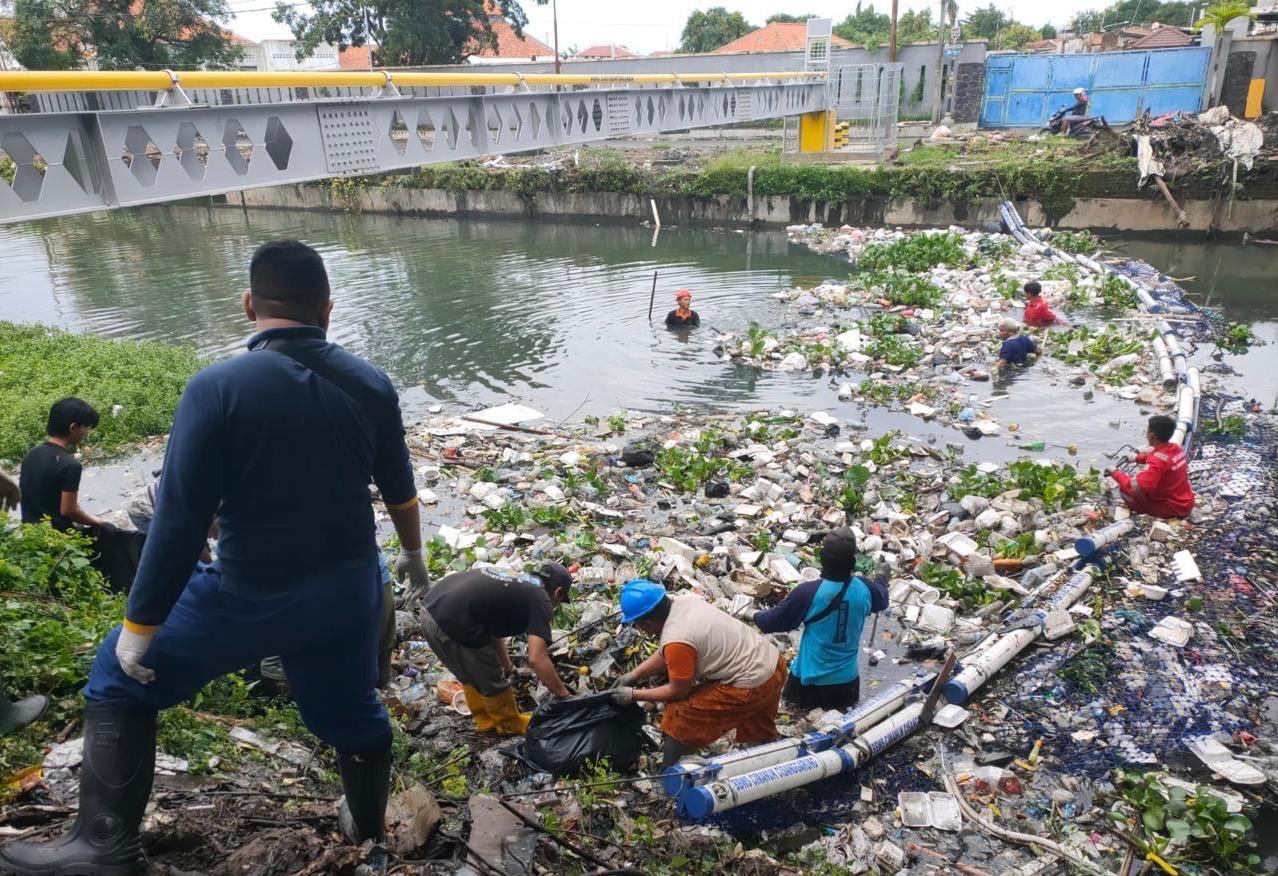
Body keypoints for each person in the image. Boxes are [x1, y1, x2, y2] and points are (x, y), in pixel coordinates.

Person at [0, 241, 431, 876]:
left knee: (117, 680)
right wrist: (415, 558)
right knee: (351, 714)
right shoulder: (371, 383)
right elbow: (400, 490)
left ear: (249, 303)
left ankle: (104, 847)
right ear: (329, 310)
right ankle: (368, 830)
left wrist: (140, 627)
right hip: (345, 593)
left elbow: (178, 523)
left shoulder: (216, 387)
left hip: (247, 592)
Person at [612, 580, 787, 769]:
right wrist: (635, 674)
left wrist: (633, 695)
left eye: (639, 625)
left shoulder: (677, 638)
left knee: (679, 715)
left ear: (647, 622)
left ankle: (669, 775)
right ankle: (769, 761)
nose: (640, 630)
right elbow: (669, 651)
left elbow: (678, 692)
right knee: (757, 722)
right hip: (772, 663)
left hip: (752, 684)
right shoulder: (684, 602)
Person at [419, 564, 574, 735]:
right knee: (491, 678)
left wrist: (508, 668)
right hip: (451, 620)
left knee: (471, 674)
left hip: (430, 608)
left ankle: (486, 722)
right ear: (559, 592)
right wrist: (565, 696)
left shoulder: (519, 582)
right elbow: (537, 659)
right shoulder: (541, 598)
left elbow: (493, 631)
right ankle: (510, 724)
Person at [753, 528, 888, 711]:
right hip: (847, 683)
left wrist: (753, 613)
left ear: (822, 559)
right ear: (853, 562)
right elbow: (882, 600)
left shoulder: (808, 593)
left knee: (799, 722)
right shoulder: (865, 589)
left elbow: (769, 623)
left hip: (809, 683)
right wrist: (881, 577)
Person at [18, 398, 107, 531]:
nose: (86, 433)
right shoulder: (70, 465)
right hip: (59, 539)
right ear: (73, 427)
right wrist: (98, 522)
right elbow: (69, 510)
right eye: (86, 427)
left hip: (31, 535)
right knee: (108, 530)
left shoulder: (32, 454)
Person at [1107, 415, 1195, 519]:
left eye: (1147, 432)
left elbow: (1138, 486)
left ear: (1152, 436)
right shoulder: (1176, 449)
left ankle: (1139, 510)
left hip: (1172, 508)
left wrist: (1115, 473)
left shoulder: (1158, 460)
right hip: (1185, 502)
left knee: (1125, 490)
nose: (1146, 435)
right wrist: (1137, 458)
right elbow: (1160, 458)